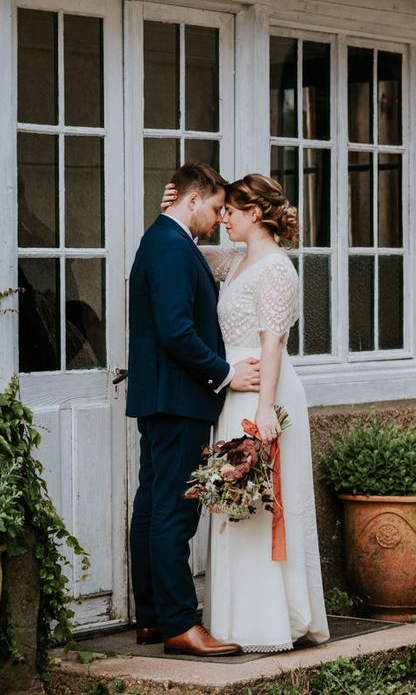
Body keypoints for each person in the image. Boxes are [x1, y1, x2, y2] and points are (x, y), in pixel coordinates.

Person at [160, 173, 330, 652]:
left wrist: (264, 410)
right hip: (231, 391)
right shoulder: (234, 260)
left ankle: (270, 621)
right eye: (219, 211)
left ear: (255, 213)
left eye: (229, 211)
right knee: (233, 502)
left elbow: (271, 343)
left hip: (262, 392)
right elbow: (186, 245)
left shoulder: (276, 269)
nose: (222, 219)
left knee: (261, 503)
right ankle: (233, 620)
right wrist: (172, 209)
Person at [126, 164, 263, 657]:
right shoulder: (168, 245)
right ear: (191, 201)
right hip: (178, 398)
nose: (217, 217)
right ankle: (181, 624)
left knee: (152, 505)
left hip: (164, 397)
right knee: (173, 512)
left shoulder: (167, 239)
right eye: (214, 208)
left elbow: (230, 257)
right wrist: (225, 374)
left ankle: (154, 617)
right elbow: (175, 331)